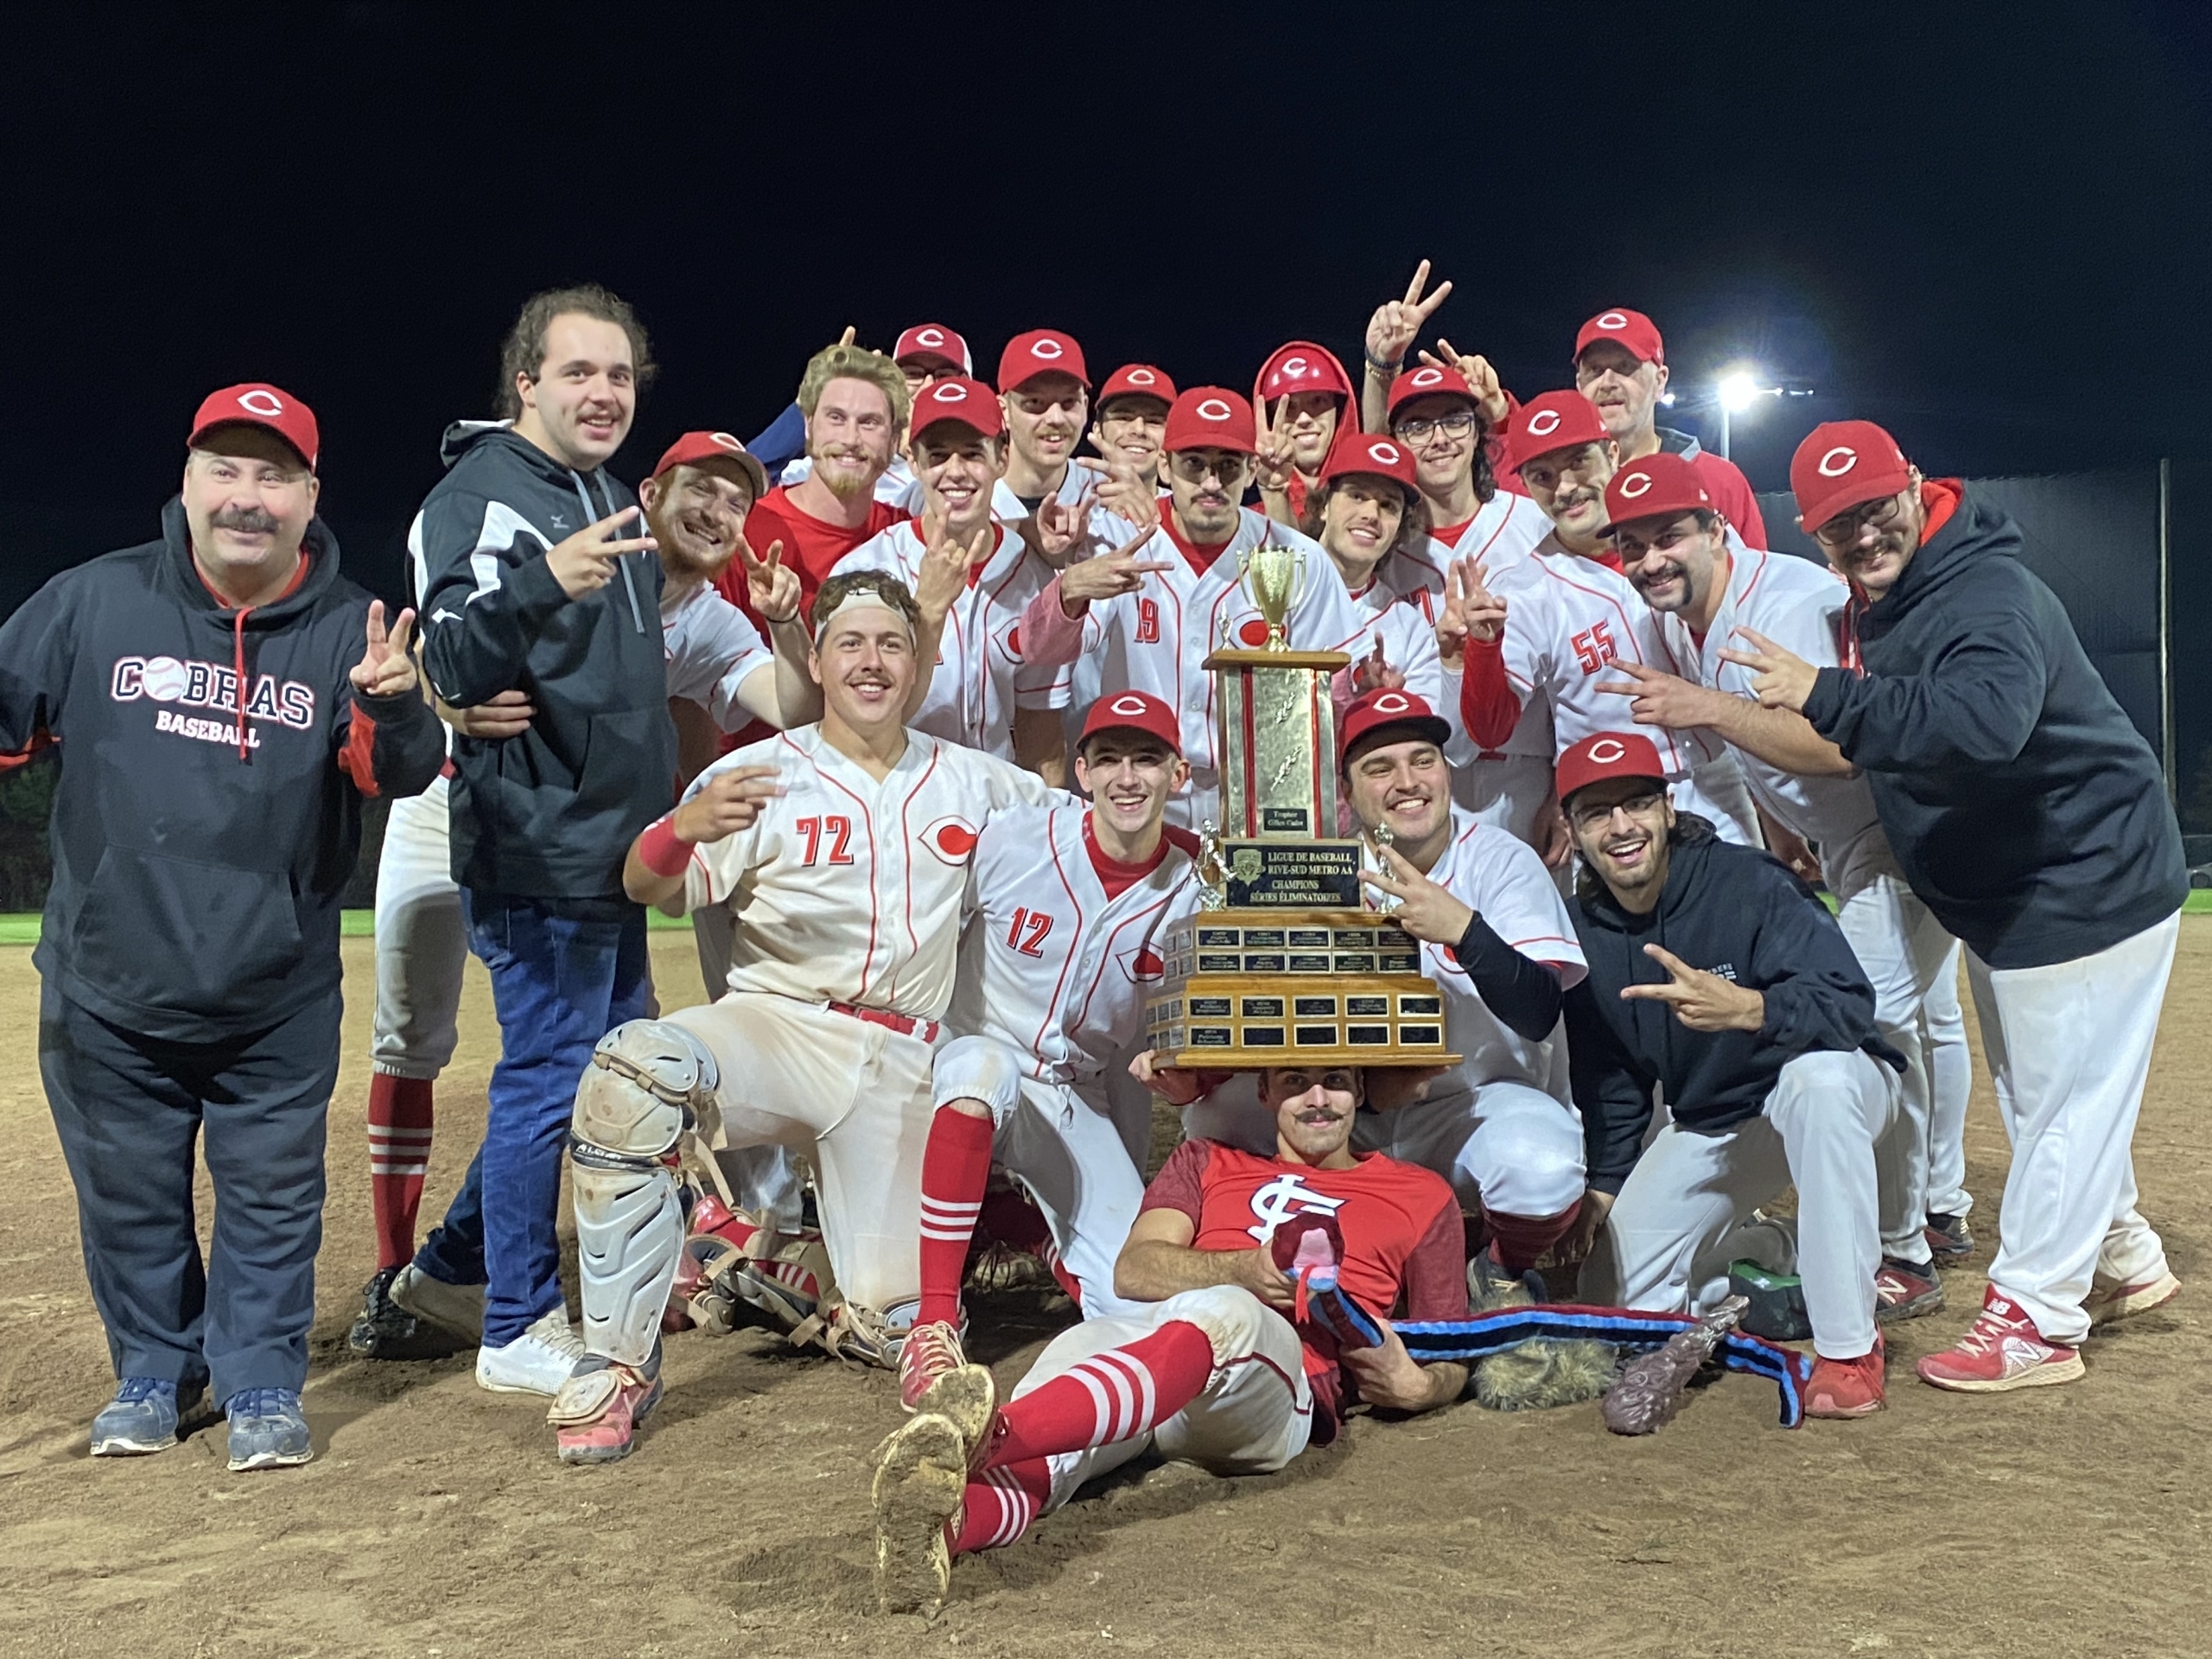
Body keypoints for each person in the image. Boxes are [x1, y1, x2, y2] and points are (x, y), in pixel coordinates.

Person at [0, 383, 442, 1468]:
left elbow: (404, 770)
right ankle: (155, 1372)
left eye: (274, 475)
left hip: (273, 991)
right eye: (227, 471)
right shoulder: (89, 603)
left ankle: (257, 1385)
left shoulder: (357, 631)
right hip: (109, 985)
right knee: (130, 1199)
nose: (248, 498)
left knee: (273, 1201)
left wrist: (394, 707)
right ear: (189, 483)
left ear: (309, 497)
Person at [548, 569, 1059, 1463]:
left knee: (902, 1326)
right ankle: (615, 1366)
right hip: (776, 1026)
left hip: (902, 1061)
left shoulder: (980, 786)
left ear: (919, 665)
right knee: (634, 1071)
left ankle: (779, 1280)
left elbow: (1090, 841)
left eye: (892, 645)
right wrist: (684, 825)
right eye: (851, 644)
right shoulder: (758, 774)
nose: (872, 662)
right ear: (816, 661)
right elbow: (644, 885)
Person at [1726, 421, 2188, 1392]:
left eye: (1875, 508)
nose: (1862, 535)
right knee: (2045, 1094)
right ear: (1815, 537)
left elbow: (1982, 725)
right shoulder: (1904, 595)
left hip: (2084, 875)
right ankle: (2120, 1257)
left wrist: (1827, 695)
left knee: (2060, 1103)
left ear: (1917, 487)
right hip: (2026, 888)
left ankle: (2035, 1317)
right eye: (1837, 524)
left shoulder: (1982, 589)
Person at [353, 429, 821, 1358]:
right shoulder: (585, 556)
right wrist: (445, 699)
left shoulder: (705, 616)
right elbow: (458, 635)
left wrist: (785, 623)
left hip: (579, 842)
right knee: (429, 1040)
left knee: (591, 1060)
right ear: (647, 492)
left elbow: (795, 702)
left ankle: (447, 1274)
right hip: (459, 802)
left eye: (737, 502)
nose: (718, 514)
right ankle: (459, 1291)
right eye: (699, 490)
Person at [868, 1062, 1471, 1614]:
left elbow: (1456, 1347)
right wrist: (1242, 1266)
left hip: (1275, 1384)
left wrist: (1421, 1386)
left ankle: (995, 1435)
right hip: (1158, 1358)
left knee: (1228, 1312)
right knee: (1080, 1351)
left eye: (1335, 1081)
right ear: (1264, 1094)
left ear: (1360, 1091)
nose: (1317, 1100)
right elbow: (1134, 1270)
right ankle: (947, 1529)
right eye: (1294, 1081)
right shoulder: (1207, 1159)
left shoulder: (1421, 1194)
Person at [1591, 452, 1954, 1322]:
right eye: (1632, 545)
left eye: (1668, 536)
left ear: (1716, 529)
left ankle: (1904, 1249)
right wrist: (1781, 829)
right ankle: (1920, 1229)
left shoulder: (1785, 601)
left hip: (1902, 831)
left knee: (1871, 1028)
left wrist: (1705, 708)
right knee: (1891, 1027)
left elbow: (1842, 746)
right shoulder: (1684, 619)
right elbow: (1764, 760)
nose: (1649, 560)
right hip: (1845, 841)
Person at [408, 284, 677, 1401]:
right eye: (579, 372)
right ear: (527, 381)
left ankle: (453, 1267)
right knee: (550, 1080)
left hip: (606, 851)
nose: (604, 392)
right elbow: (455, 662)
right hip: (533, 846)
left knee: (603, 1078)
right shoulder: (477, 499)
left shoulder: (606, 492)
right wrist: (536, 586)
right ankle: (513, 1323)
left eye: (618, 375)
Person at [1555, 731, 1906, 1420]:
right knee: (1620, 1301)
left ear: (1666, 807)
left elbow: (1848, 1004)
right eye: (1597, 813)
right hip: (1718, 1118)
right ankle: (1767, 1250)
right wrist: (1604, 1187)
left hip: (1834, 1084)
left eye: (1635, 805)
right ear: (1572, 830)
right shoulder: (1583, 929)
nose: (1621, 827)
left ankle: (1848, 1346)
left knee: (1817, 1085)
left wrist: (1752, 1008)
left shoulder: (1747, 880)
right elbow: (1613, 1076)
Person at [898, 690, 1200, 1409]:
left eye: (1147, 761)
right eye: (1110, 760)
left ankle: (1025, 1229)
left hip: (1072, 1092)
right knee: (980, 1067)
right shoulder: (1014, 840)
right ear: (1081, 773)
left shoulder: (1195, 884)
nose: (1129, 777)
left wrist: (1184, 1073)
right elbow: (918, 928)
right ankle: (934, 1323)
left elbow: (1193, 1036)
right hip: (966, 1062)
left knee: (1136, 1303)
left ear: (1178, 775)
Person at [1014, 387, 1369, 827]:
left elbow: (1335, 693)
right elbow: (1038, 654)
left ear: (1251, 469)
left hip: (1257, 797)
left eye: (1227, 466)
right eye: (1194, 464)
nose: (1211, 483)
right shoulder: (1115, 539)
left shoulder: (1298, 557)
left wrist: (1327, 797)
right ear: (1165, 465)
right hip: (1139, 791)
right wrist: (1068, 590)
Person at [1338, 690, 1589, 1280]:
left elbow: (1538, 1009)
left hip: (1476, 1108)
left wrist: (1464, 931)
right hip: (1353, 1112)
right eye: (1380, 768)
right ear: (1345, 795)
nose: (1408, 781)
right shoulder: (1325, 872)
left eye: (1423, 760)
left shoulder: (1501, 861)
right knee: (1227, 1109)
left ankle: (1499, 1274)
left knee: (1543, 1167)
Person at [1445, 391, 1761, 848]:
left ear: (1612, 453)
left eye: (1578, 462)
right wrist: (1483, 649)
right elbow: (1490, 730)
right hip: (1613, 799)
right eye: (1542, 475)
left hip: (1716, 780)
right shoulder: (1525, 588)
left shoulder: (1683, 536)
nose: (1566, 487)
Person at [831, 375, 1068, 774]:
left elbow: (1040, 731)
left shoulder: (1033, 575)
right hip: (896, 790)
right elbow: (849, 726)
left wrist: (1044, 827)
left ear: (1002, 458)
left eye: (973, 454)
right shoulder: (865, 573)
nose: (955, 472)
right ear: (913, 463)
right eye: (938, 455)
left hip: (999, 799)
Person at [1570, 308, 1767, 548]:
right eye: (1595, 371)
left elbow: (1756, 578)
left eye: (1625, 367)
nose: (1608, 383)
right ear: (1580, 385)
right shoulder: (1560, 486)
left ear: (1660, 381)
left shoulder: (1719, 479)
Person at [995, 328, 1096, 522]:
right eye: (1035, 402)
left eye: (1069, 402)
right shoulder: (969, 497)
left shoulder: (1109, 495)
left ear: (1085, 407)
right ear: (1004, 411)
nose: (1056, 418)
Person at [1252, 340, 1357, 523]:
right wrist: (1274, 492)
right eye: (1289, 407)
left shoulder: (1369, 511)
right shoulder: (1250, 525)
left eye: (1317, 401)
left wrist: (1381, 365)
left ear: (1339, 412)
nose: (1304, 419)